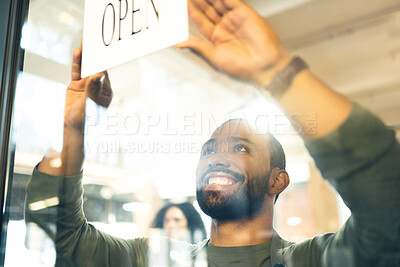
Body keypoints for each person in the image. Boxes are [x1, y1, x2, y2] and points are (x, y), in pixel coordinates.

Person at [25, 0, 400, 266]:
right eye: (208, 148)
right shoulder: (151, 260)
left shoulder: (316, 260)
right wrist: (73, 128)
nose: (215, 156)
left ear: (278, 180)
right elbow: (62, 237)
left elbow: (387, 204)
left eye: (239, 146)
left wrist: (275, 72)